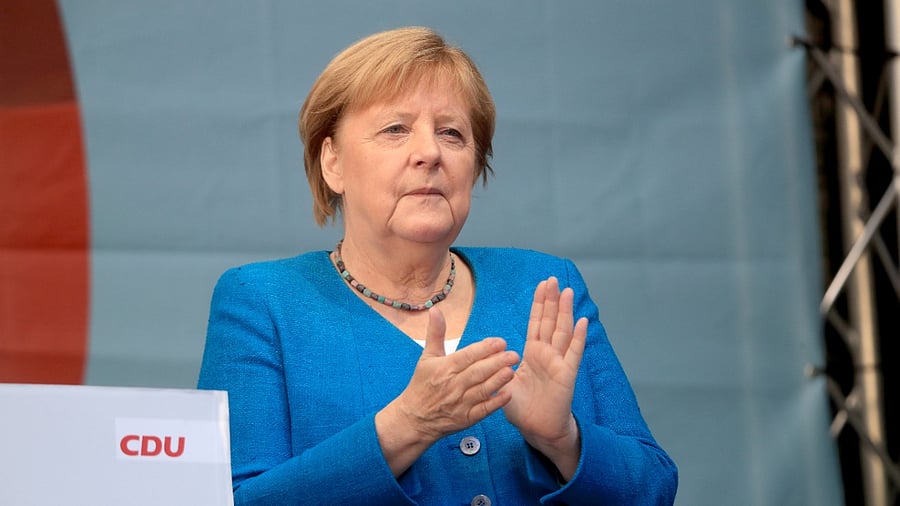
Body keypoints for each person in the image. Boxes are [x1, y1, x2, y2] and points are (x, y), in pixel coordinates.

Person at [198, 26, 678, 505]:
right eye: (395, 129)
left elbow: (654, 489)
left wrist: (562, 439)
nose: (429, 153)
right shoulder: (262, 302)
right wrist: (406, 426)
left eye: (452, 133)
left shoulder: (546, 286)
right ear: (333, 163)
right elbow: (234, 501)